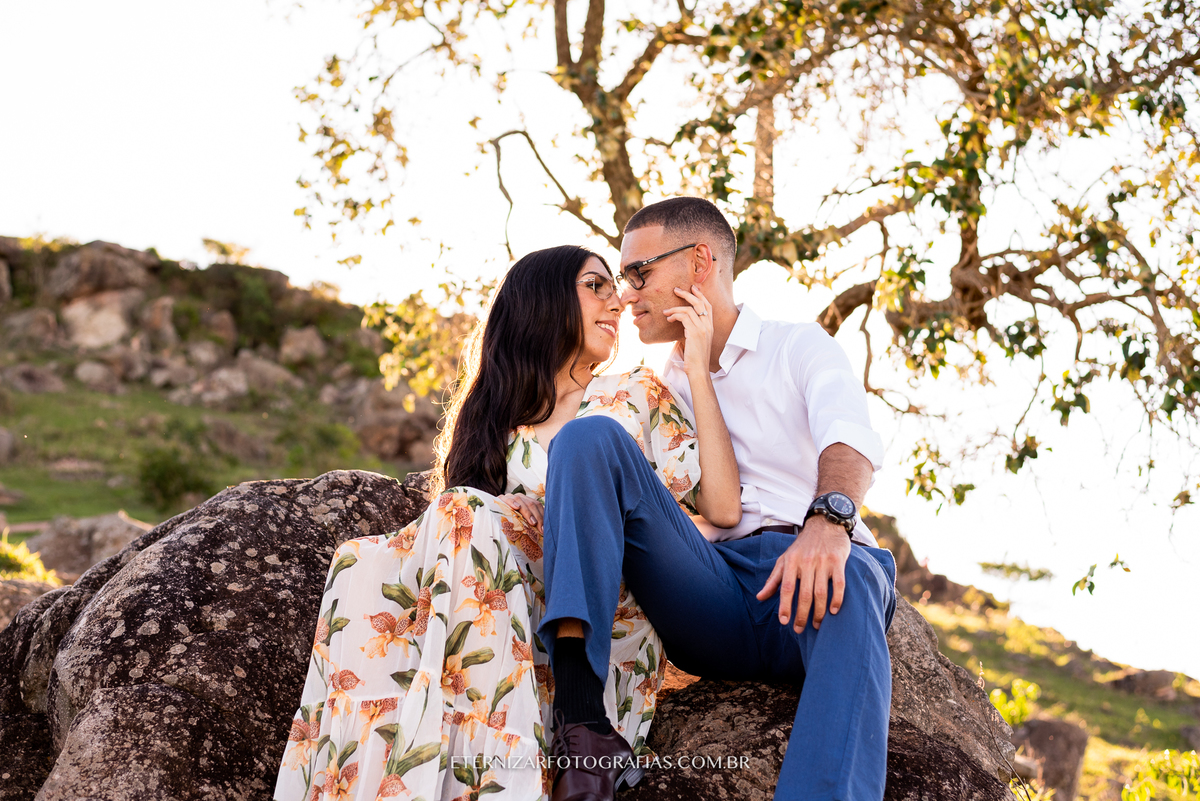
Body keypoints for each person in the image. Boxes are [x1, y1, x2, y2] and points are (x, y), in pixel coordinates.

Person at [273, 244, 743, 801]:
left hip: (605, 614)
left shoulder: (634, 394)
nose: (617, 302)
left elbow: (721, 508)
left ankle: (541, 745)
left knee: (466, 510)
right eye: (595, 286)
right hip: (510, 613)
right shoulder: (499, 424)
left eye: (614, 289)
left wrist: (696, 368)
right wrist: (502, 512)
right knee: (362, 559)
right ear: (543, 300)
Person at [538, 198, 898, 801]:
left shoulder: (798, 347)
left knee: (854, 577)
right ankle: (584, 727)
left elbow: (849, 438)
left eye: (639, 273)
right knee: (589, 438)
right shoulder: (658, 386)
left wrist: (828, 522)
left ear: (700, 262)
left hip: (813, 581)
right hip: (714, 588)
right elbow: (654, 509)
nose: (626, 295)